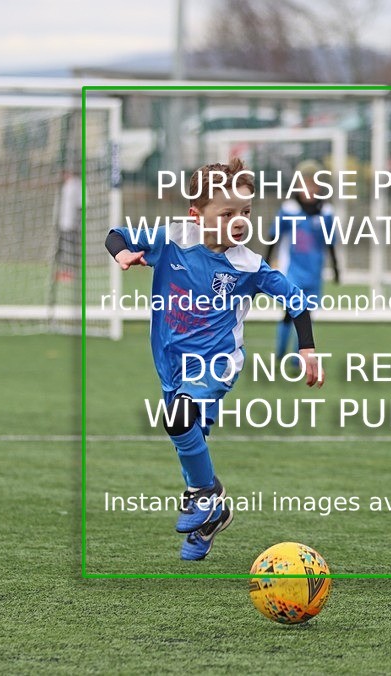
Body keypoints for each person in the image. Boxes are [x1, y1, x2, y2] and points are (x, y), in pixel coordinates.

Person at [105, 158, 324, 561]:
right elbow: (115, 234)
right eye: (227, 214)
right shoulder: (173, 238)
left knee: (178, 419)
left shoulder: (248, 264)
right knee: (188, 436)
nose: (239, 222)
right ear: (196, 215)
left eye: (246, 212)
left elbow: (297, 301)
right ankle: (211, 515)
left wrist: (306, 348)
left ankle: (207, 494)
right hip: (171, 364)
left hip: (219, 361)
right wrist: (122, 255)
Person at [265, 159, 339, 360]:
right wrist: (266, 263)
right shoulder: (289, 209)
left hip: (314, 273)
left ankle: (298, 358)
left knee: (307, 316)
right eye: (305, 183)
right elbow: (273, 236)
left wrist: (336, 268)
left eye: (313, 184)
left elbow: (330, 242)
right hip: (293, 271)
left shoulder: (326, 212)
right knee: (290, 312)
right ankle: (280, 353)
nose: (309, 189)